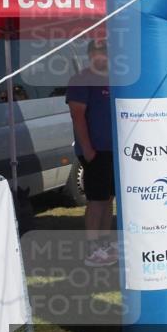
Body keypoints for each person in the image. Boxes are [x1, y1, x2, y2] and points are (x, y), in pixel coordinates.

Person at [66, 39, 117, 267]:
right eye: (99, 51)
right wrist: (88, 151)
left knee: (108, 198)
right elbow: (77, 116)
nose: (104, 55)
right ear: (90, 55)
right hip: (95, 152)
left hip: (113, 151)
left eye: (106, 50)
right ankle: (92, 250)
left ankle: (104, 245)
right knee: (97, 200)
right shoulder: (80, 80)